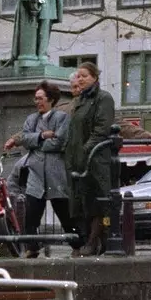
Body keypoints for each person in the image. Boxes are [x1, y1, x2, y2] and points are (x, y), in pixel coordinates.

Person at [4, 82, 73, 257]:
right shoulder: (31, 119)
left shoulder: (62, 118)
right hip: (35, 174)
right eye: (36, 98)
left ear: (51, 99)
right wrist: (42, 136)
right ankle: (31, 248)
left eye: (40, 98)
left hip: (55, 174)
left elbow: (59, 142)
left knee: (64, 214)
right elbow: (25, 139)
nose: (37, 102)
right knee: (31, 215)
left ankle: (78, 245)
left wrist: (35, 144)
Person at [62, 61, 117, 257]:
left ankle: (95, 242)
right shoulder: (80, 101)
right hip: (78, 160)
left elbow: (101, 129)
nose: (80, 79)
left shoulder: (103, 99)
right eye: (78, 76)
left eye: (84, 75)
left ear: (95, 77)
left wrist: (86, 150)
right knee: (82, 203)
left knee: (96, 202)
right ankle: (92, 242)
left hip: (94, 160)